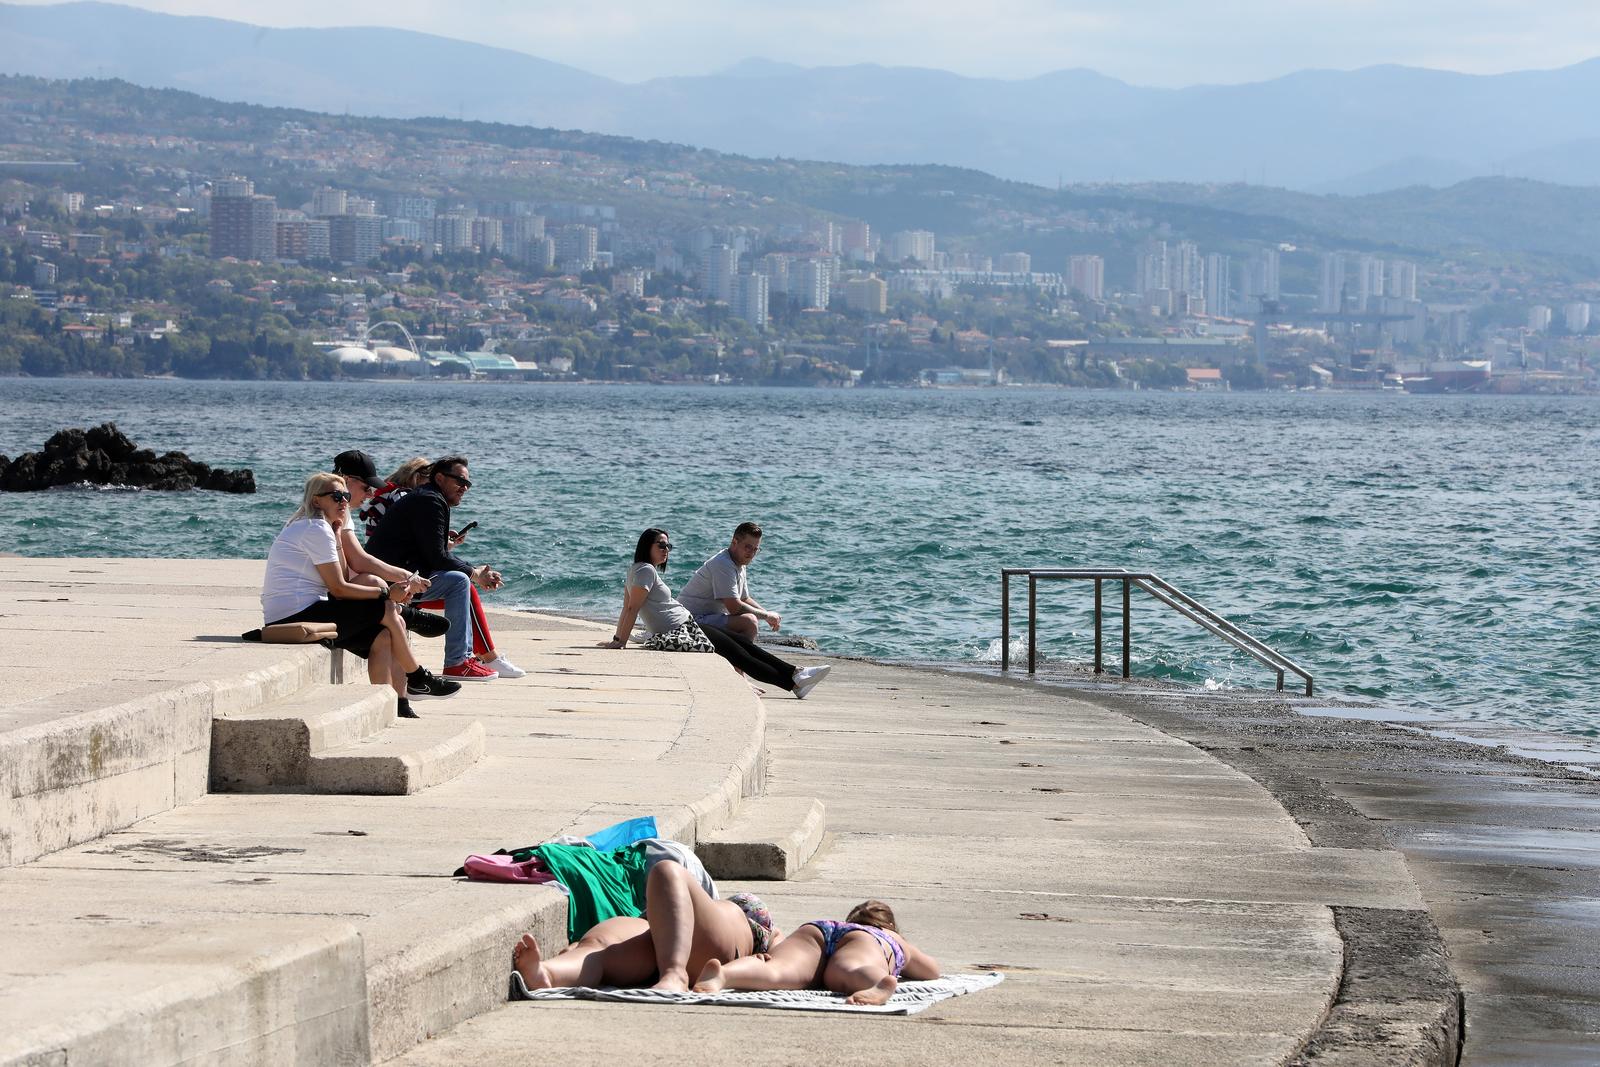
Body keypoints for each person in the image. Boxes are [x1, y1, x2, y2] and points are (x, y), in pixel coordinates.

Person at [260, 472, 459, 719]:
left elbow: (343, 576)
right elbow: (339, 589)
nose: (344, 501)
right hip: (294, 614)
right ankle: (418, 675)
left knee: (383, 635)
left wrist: (338, 537)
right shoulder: (315, 528)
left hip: (302, 610)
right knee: (387, 608)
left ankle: (393, 705)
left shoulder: (323, 527)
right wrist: (387, 593)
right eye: (336, 496)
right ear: (316, 501)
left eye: (345, 495)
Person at [603, 528, 830, 699]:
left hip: (688, 626)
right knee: (740, 654)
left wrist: (618, 637)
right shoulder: (645, 570)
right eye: (661, 545)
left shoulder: (638, 570)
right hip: (681, 631)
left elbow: (626, 607)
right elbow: (631, 608)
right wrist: (620, 641)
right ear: (646, 546)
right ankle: (794, 682)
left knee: (744, 646)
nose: (666, 550)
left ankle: (796, 674)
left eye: (668, 546)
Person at [366, 455, 522, 681]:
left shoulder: (427, 497)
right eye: (460, 481)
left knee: (461, 582)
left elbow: (434, 553)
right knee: (459, 582)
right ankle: (458, 662)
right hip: (393, 581)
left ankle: (474, 658)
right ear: (439, 478)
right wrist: (475, 573)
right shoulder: (430, 501)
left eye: (468, 483)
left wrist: (473, 571)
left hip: (401, 575)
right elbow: (438, 557)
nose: (465, 488)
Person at [513, 861, 776, 992]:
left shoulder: (759, 928)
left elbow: (785, 953)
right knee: (600, 950)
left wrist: (764, 956)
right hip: (664, 938)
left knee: (667, 871)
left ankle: (675, 974)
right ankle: (548, 973)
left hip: (717, 947)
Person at [693, 899, 940, 1006]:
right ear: (890, 924)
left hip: (819, 929)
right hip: (866, 943)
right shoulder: (890, 937)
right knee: (852, 968)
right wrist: (903, 954)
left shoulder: (843, 925)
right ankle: (876, 983)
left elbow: (779, 947)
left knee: (777, 970)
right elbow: (931, 971)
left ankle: (723, 975)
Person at [678, 522, 780, 641]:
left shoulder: (739, 563)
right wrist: (767, 615)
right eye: (748, 547)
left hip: (704, 618)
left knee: (748, 618)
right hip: (688, 621)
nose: (751, 553)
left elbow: (744, 599)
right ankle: (741, 652)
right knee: (749, 622)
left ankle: (737, 650)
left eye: (755, 549)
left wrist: (767, 615)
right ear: (734, 542)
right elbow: (734, 607)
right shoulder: (723, 563)